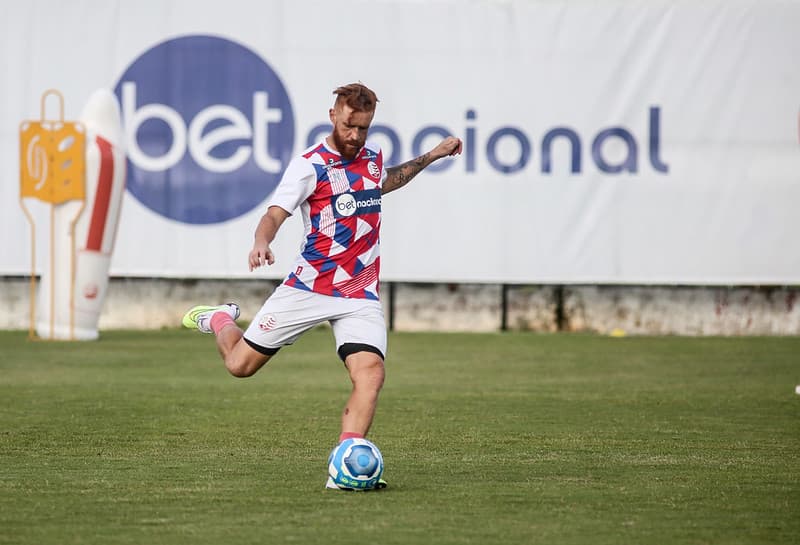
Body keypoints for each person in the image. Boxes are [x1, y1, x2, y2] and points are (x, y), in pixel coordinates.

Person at [182, 82, 462, 490]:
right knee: (239, 366)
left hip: (359, 293)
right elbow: (275, 214)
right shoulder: (309, 166)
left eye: (364, 128)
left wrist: (431, 156)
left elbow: (385, 182)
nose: (355, 135)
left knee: (371, 373)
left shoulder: (370, 159)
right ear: (333, 116)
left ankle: (345, 463)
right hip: (309, 288)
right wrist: (262, 242)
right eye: (349, 125)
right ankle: (221, 318)